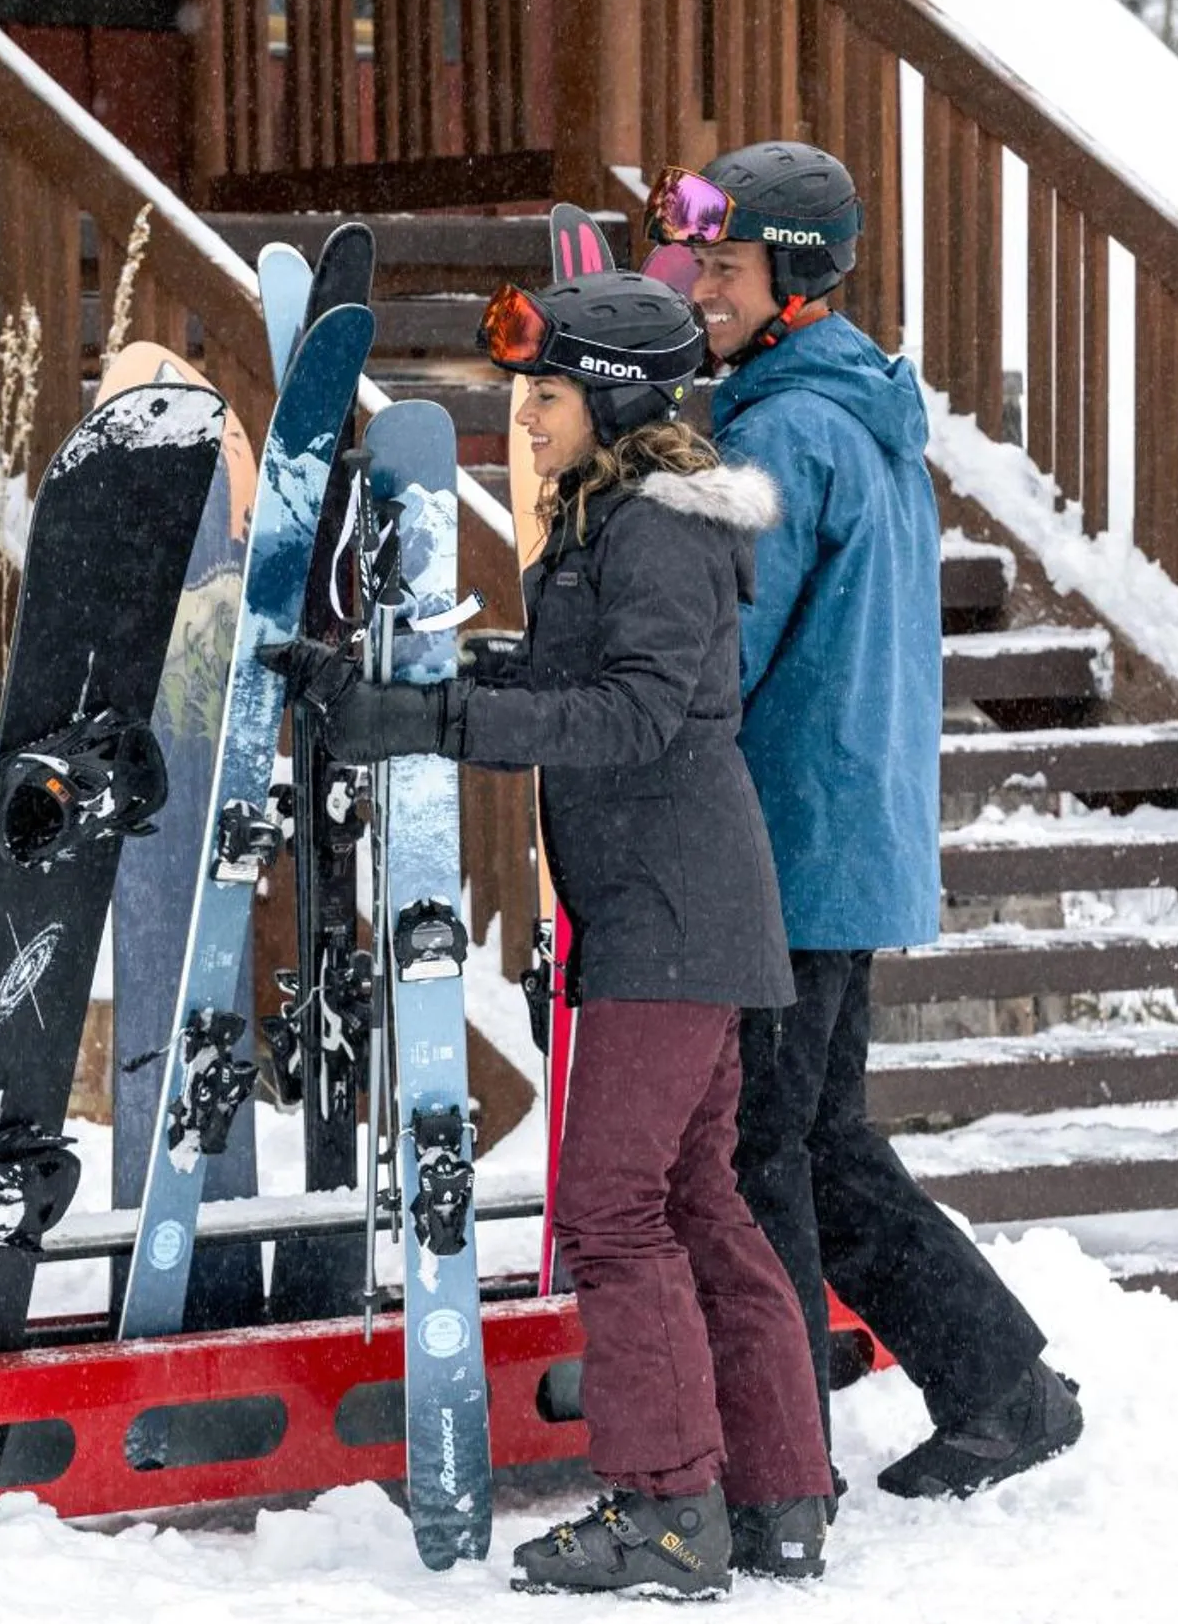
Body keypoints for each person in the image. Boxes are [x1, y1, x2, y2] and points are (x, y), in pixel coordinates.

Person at [266, 271, 833, 1598]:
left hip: (670, 911)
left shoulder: (653, 529)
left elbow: (636, 716)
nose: (524, 416)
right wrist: (415, 683)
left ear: (616, 399)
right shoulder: (622, 520)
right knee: (698, 1201)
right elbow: (578, 680)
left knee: (615, 1208)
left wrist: (443, 727)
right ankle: (777, 1492)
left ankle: (668, 1507)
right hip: (677, 904)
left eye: (548, 392)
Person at [644, 140, 1084, 1501]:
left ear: (794, 276)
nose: (695, 285)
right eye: (695, 259)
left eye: (721, 264)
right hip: (841, 834)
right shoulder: (860, 413)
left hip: (780, 839)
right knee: (814, 1140)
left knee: (750, 1152)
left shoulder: (781, 433)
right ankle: (1003, 1387)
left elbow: (718, 638)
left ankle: (780, 1456)